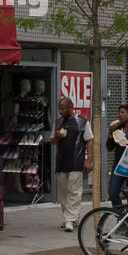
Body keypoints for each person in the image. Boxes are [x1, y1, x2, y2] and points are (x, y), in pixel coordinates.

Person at [53, 97, 93, 232]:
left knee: (74, 191)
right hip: (61, 161)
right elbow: (53, 140)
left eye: (63, 108)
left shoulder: (82, 122)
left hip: (76, 161)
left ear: (71, 107)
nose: (60, 111)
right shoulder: (58, 122)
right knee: (63, 192)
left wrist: (90, 160)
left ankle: (69, 219)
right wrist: (58, 136)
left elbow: (89, 140)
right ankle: (70, 217)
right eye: (59, 108)